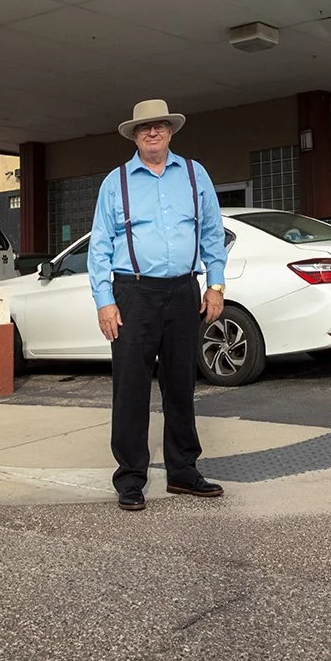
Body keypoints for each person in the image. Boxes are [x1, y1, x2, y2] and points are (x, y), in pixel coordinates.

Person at [88, 98, 228, 511]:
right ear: (134, 135)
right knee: (130, 387)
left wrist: (215, 285)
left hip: (184, 291)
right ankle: (130, 478)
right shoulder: (116, 182)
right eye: (145, 127)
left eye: (160, 126)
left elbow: (212, 233)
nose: (153, 132)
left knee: (181, 384)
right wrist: (104, 300)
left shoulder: (192, 173)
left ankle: (183, 472)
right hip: (133, 293)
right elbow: (100, 244)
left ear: (170, 131)